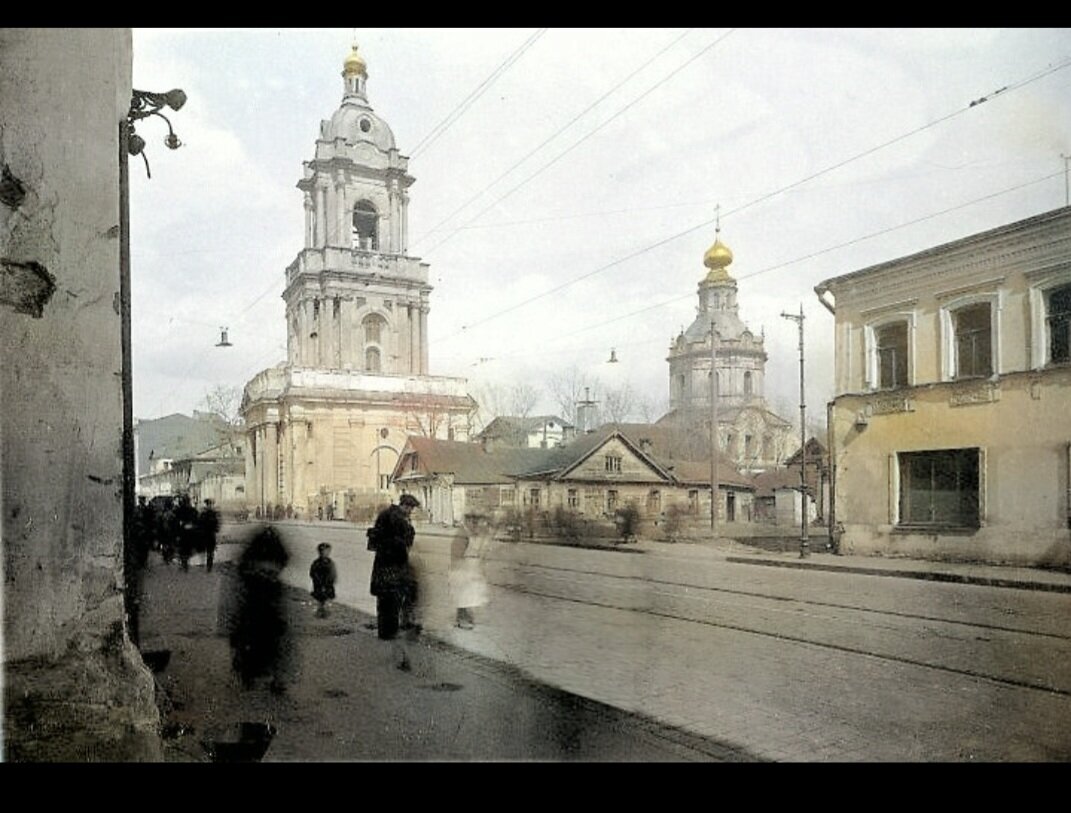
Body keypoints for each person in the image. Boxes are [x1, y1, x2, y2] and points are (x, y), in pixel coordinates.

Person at [223, 525, 293, 693]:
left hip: (256, 608)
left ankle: (253, 675)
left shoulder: (252, 574)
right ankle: (274, 677)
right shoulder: (273, 582)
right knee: (274, 642)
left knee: (256, 642)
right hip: (265, 609)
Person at [368, 494, 421, 648]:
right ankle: (390, 632)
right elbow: (406, 540)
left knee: (384, 600)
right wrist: (409, 527)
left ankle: (384, 632)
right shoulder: (398, 519)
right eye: (410, 509)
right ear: (405, 506)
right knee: (393, 599)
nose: (410, 512)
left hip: (382, 563)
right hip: (393, 565)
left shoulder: (385, 514)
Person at [450, 513, 492, 630]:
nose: (475, 524)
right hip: (462, 570)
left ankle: (462, 619)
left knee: (467, 596)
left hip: (469, 569)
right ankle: (463, 620)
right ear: (467, 521)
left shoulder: (470, 533)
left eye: (476, 522)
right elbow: (457, 554)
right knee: (465, 596)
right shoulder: (462, 534)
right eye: (472, 522)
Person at [309, 542, 337, 618]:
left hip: (328, 584)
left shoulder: (330, 562)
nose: (326, 553)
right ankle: (321, 611)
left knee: (326, 598)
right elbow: (312, 573)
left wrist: (332, 580)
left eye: (327, 551)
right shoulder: (317, 563)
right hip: (319, 583)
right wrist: (318, 581)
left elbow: (333, 573)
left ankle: (323, 612)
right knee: (320, 598)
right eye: (324, 551)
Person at [198, 498, 221, 572]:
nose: (209, 506)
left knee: (210, 551)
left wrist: (216, 529)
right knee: (207, 550)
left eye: (210, 504)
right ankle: (207, 565)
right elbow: (200, 524)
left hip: (210, 534)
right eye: (209, 504)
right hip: (206, 534)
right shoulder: (204, 514)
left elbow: (217, 524)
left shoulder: (212, 513)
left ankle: (209, 566)